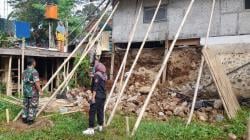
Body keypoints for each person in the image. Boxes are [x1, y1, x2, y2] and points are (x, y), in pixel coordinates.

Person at [83, 59, 108, 135]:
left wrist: (93, 98)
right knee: (100, 110)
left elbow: (95, 87)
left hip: (97, 96)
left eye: (95, 66)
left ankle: (91, 129)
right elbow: (98, 79)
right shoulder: (103, 75)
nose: (94, 67)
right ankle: (100, 126)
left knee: (92, 111)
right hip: (103, 96)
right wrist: (93, 76)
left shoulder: (97, 75)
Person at [22, 57, 43, 125]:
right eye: (35, 62)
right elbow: (37, 83)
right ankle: (30, 120)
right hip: (33, 92)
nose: (35, 63)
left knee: (26, 105)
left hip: (25, 92)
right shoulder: (34, 71)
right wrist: (40, 91)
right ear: (33, 63)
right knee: (32, 106)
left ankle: (24, 118)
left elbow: (23, 80)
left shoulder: (24, 71)